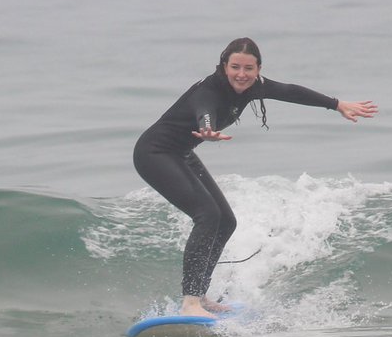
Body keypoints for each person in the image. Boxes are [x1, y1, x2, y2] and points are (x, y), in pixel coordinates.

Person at [133, 37, 378, 318]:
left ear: (258, 69)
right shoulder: (209, 90)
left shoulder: (254, 87)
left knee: (226, 222)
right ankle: (190, 302)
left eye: (249, 68)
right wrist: (208, 130)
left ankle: (200, 295)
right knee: (208, 216)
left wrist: (336, 104)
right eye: (235, 66)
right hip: (154, 154)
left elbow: (291, 91)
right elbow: (205, 110)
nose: (241, 74)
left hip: (181, 152)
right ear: (224, 66)